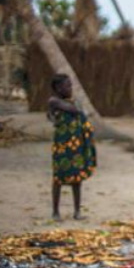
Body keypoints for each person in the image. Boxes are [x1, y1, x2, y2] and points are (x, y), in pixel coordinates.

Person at [48, 74, 96, 221]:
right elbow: (74, 111)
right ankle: (55, 212)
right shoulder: (54, 101)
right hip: (62, 145)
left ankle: (77, 212)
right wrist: (79, 108)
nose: (70, 88)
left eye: (70, 85)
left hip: (76, 144)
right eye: (67, 86)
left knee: (77, 179)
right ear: (58, 88)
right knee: (58, 178)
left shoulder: (73, 102)